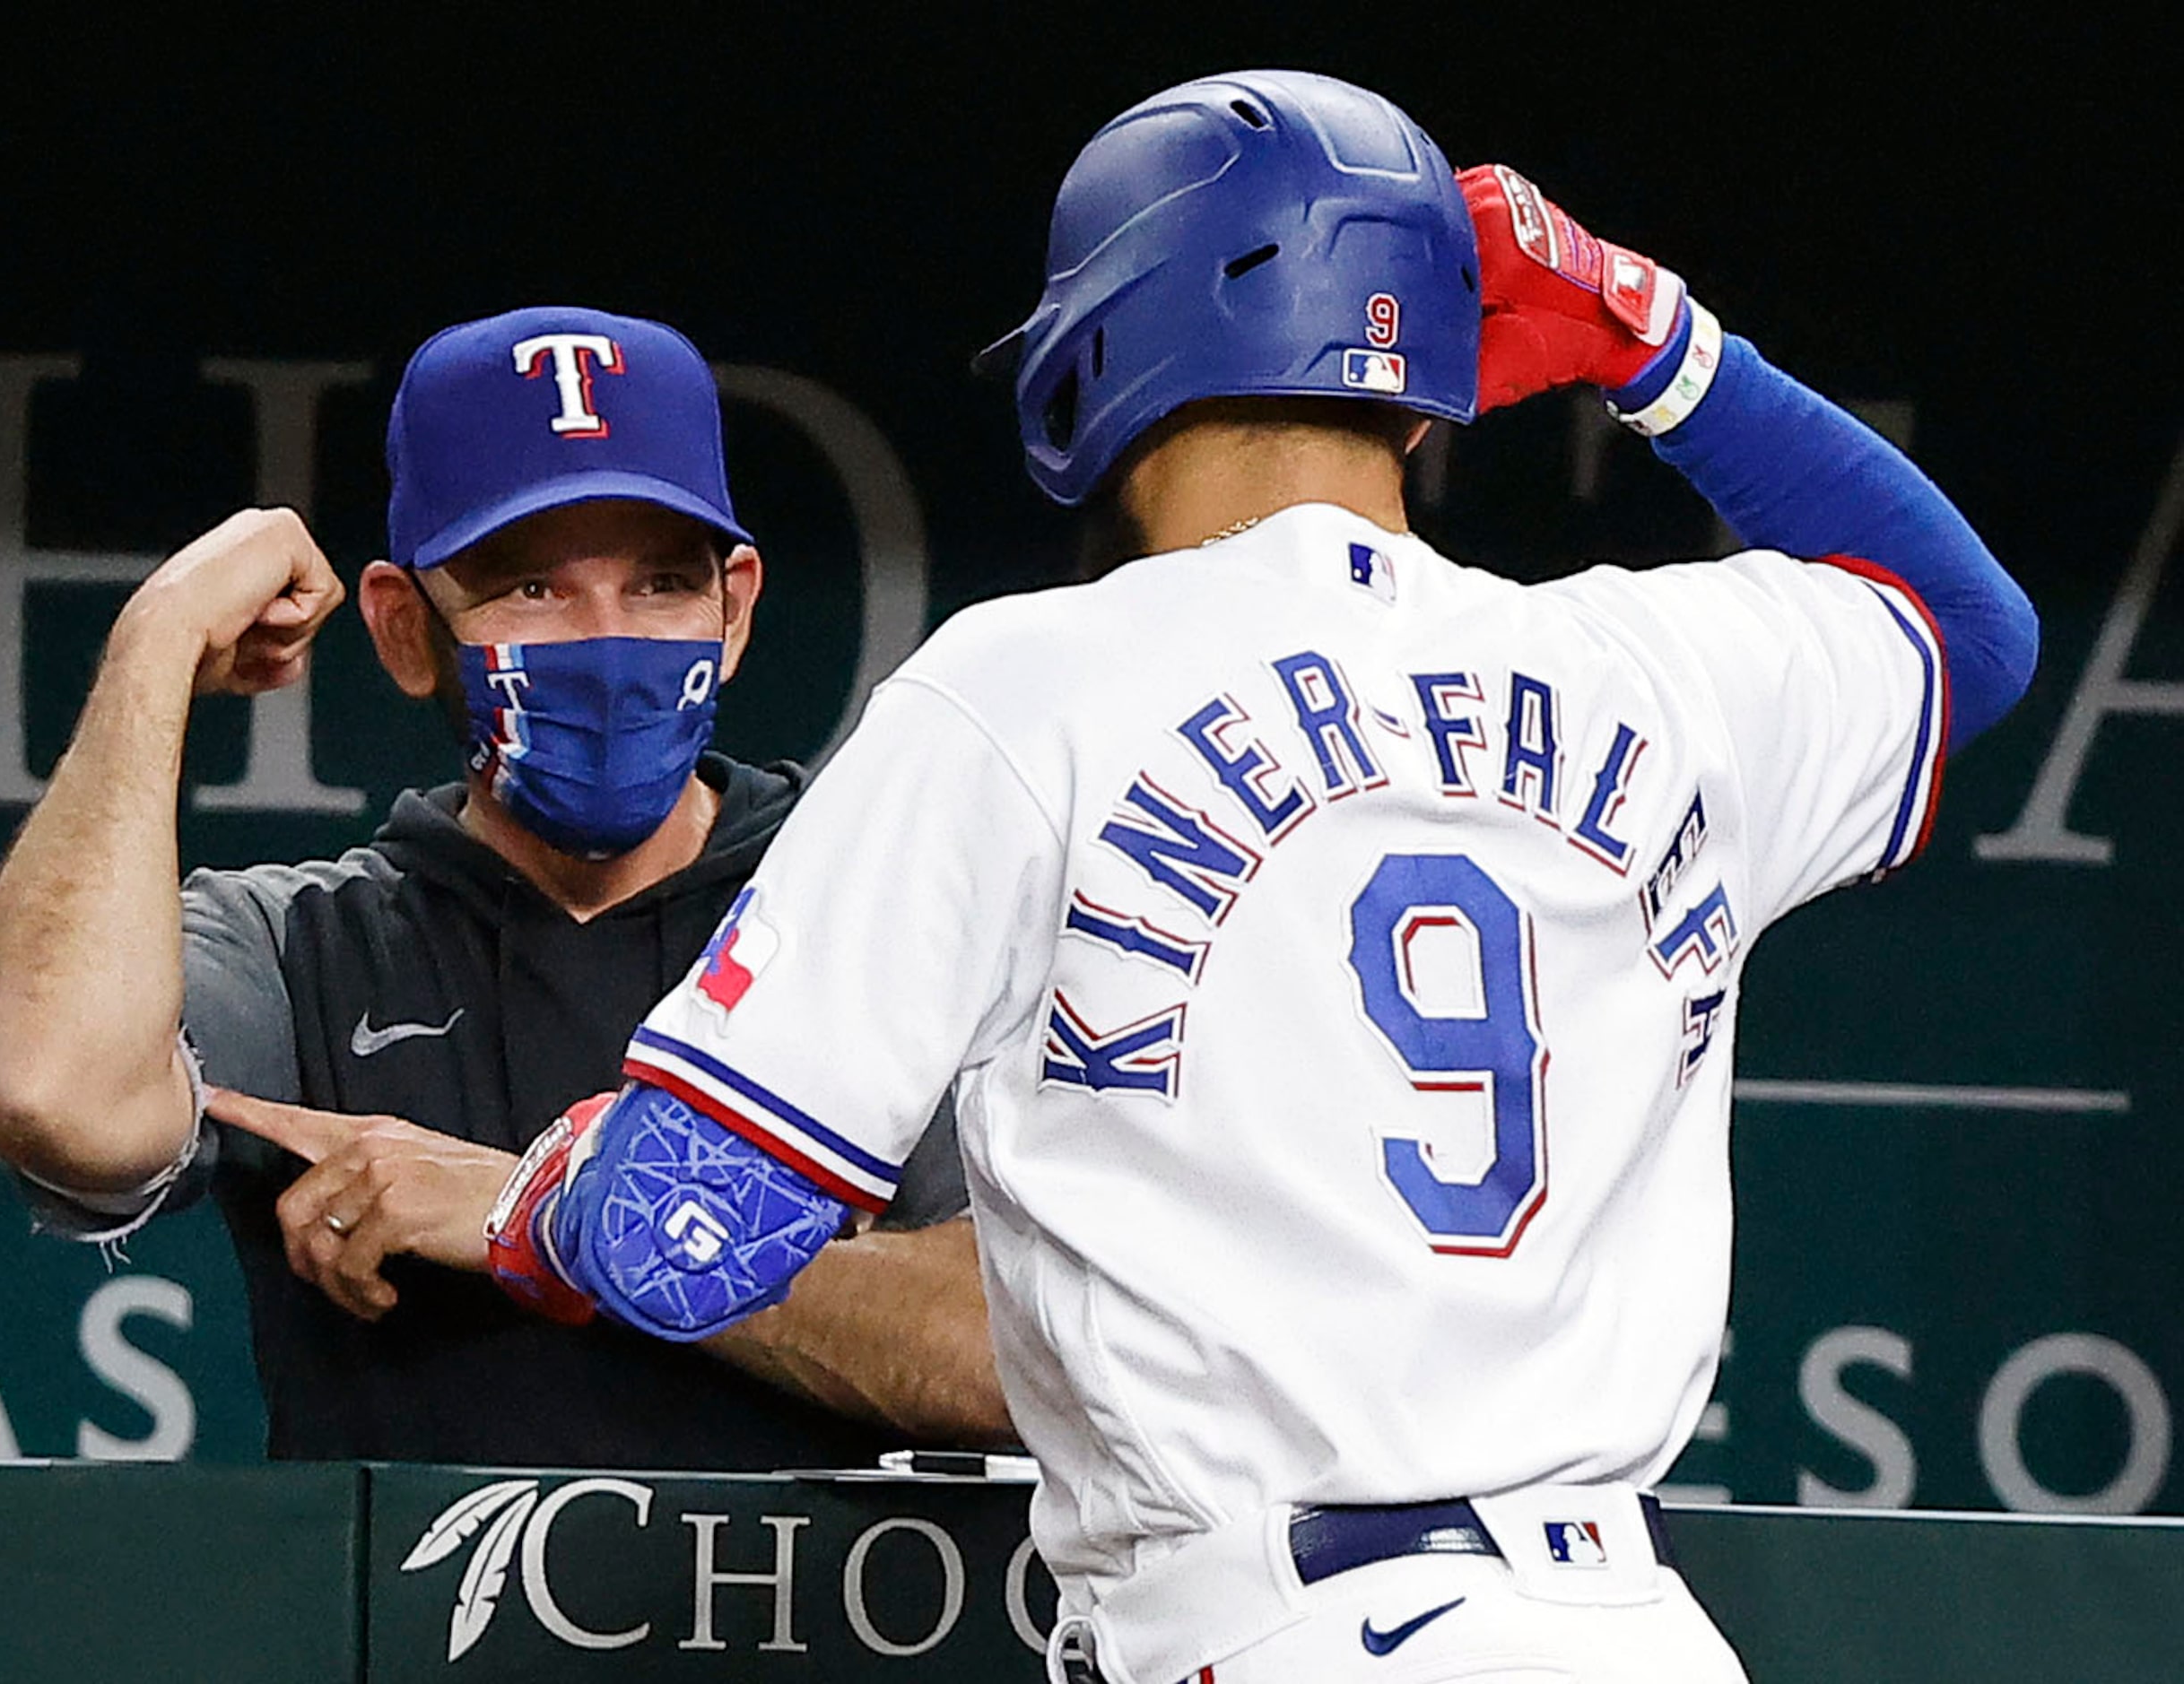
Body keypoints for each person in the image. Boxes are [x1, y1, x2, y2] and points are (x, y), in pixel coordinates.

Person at [483, 74, 2037, 1683]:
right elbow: (1974, 634)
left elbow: (684, 1229)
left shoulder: (1031, 682)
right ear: (1423, 395)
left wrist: (540, 1198)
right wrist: (1649, 340)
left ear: (1099, 356)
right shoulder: (1648, 670)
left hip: (1283, 1625)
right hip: (1632, 1628)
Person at [0, 305, 1009, 1466]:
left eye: (659, 584)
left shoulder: (876, 904)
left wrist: (552, 1216)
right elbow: (53, 1093)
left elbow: (1020, 1357)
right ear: (406, 631)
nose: (608, 644)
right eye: (533, 591)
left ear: (735, 605)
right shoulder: (307, 943)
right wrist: (152, 646)